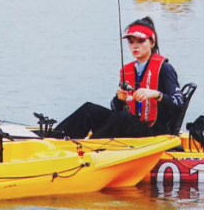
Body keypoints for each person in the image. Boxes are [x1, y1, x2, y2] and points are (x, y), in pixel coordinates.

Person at [54, 17, 184, 139]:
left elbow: (179, 104)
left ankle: (88, 146)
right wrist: (118, 98)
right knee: (89, 109)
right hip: (129, 126)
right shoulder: (128, 71)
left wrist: (156, 94)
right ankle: (53, 139)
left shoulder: (164, 68)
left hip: (154, 132)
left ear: (152, 42)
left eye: (140, 41)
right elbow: (115, 108)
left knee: (122, 118)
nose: (135, 46)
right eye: (131, 41)